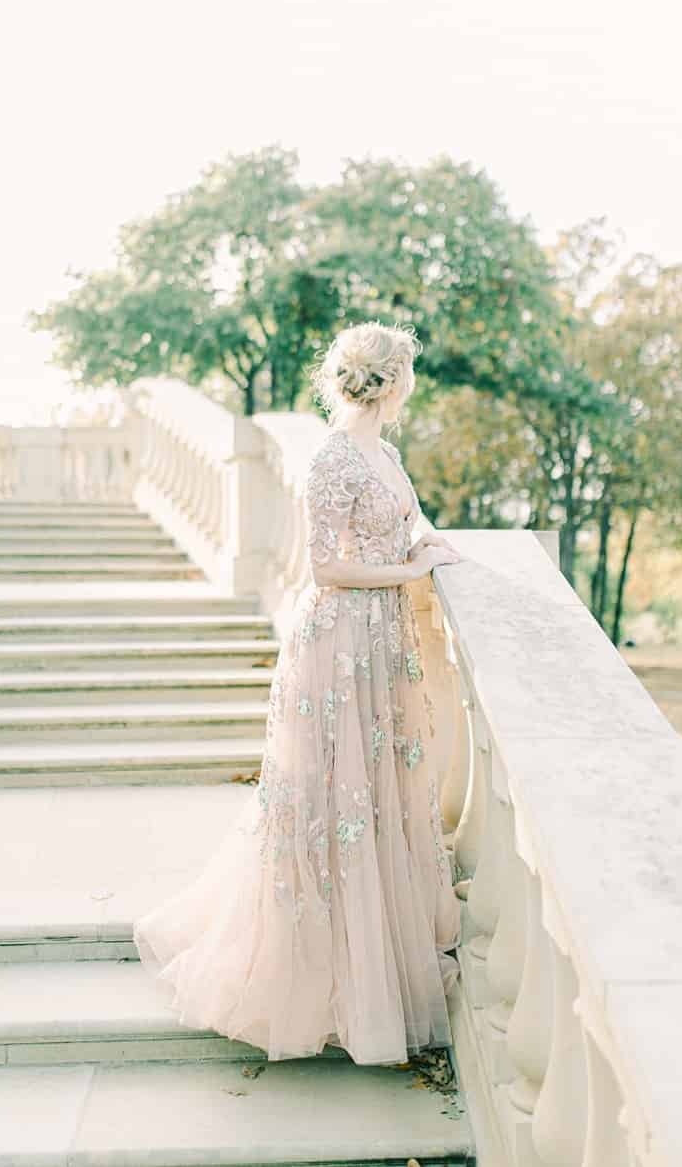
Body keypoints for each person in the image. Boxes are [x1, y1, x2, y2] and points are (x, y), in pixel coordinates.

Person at [134, 320, 465, 1065]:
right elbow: (325, 569)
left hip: (382, 645)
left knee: (378, 792)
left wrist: (421, 547)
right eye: (407, 373)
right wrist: (410, 574)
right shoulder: (331, 459)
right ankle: (318, 981)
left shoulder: (385, 453)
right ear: (395, 382)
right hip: (338, 645)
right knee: (330, 805)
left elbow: (399, 527)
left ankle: (374, 957)